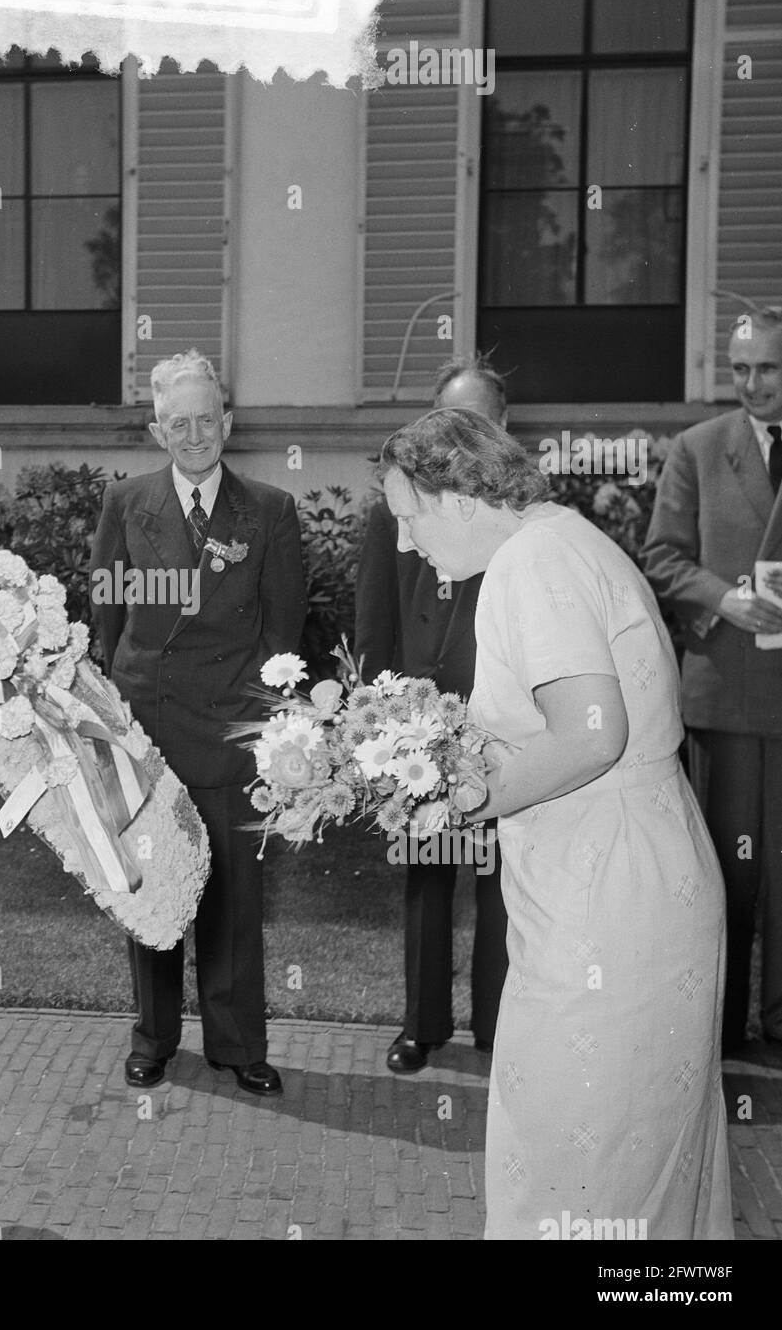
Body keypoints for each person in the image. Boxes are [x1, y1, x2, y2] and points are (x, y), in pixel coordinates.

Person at [381, 407, 732, 1239]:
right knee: (633, 1157)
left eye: (406, 516)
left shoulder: (529, 561)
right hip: (639, 871)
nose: (401, 543)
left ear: (459, 499)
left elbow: (590, 732)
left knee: (578, 1167)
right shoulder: (564, 537)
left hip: (605, 896)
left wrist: (459, 798)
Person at [91, 349, 307, 1095]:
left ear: (228, 421)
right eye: (176, 423)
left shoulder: (270, 511)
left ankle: (237, 1043)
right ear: (156, 431)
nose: (193, 436)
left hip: (228, 728)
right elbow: (105, 619)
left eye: (205, 420)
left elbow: (284, 636)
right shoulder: (125, 504)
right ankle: (153, 1036)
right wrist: (110, 716)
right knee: (151, 888)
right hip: (147, 727)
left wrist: (265, 727)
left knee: (232, 896)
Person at [354, 358, 509, 1074]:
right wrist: (380, 719)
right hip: (418, 728)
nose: (461, 441)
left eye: (478, 424)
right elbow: (375, 624)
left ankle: (498, 1028)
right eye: (450, 424)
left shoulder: (519, 516)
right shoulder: (391, 510)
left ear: (501, 430)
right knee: (426, 876)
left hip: (503, 725)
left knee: (503, 885)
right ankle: (422, 1026)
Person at [642, 306, 782, 1056]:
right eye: (739, 368)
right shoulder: (699, 448)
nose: (751, 383)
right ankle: (719, 1028)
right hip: (726, 690)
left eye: (767, 367)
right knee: (730, 866)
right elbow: (660, 559)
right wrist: (723, 598)